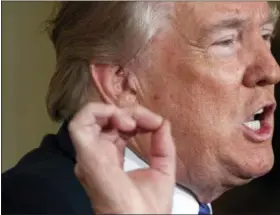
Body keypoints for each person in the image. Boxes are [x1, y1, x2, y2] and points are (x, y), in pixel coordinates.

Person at [2, 2, 280, 214]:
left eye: (266, 35)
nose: (271, 69)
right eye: (226, 41)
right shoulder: (36, 202)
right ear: (122, 84)